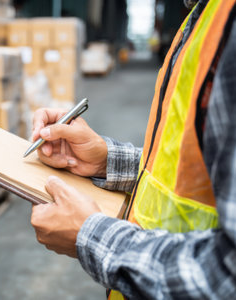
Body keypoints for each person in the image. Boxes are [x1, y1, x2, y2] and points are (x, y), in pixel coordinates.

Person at [30, 0, 236, 299]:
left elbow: (227, 278)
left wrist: (93, 237)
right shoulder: (205, 13)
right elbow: (193, 167)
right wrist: (107, 160)